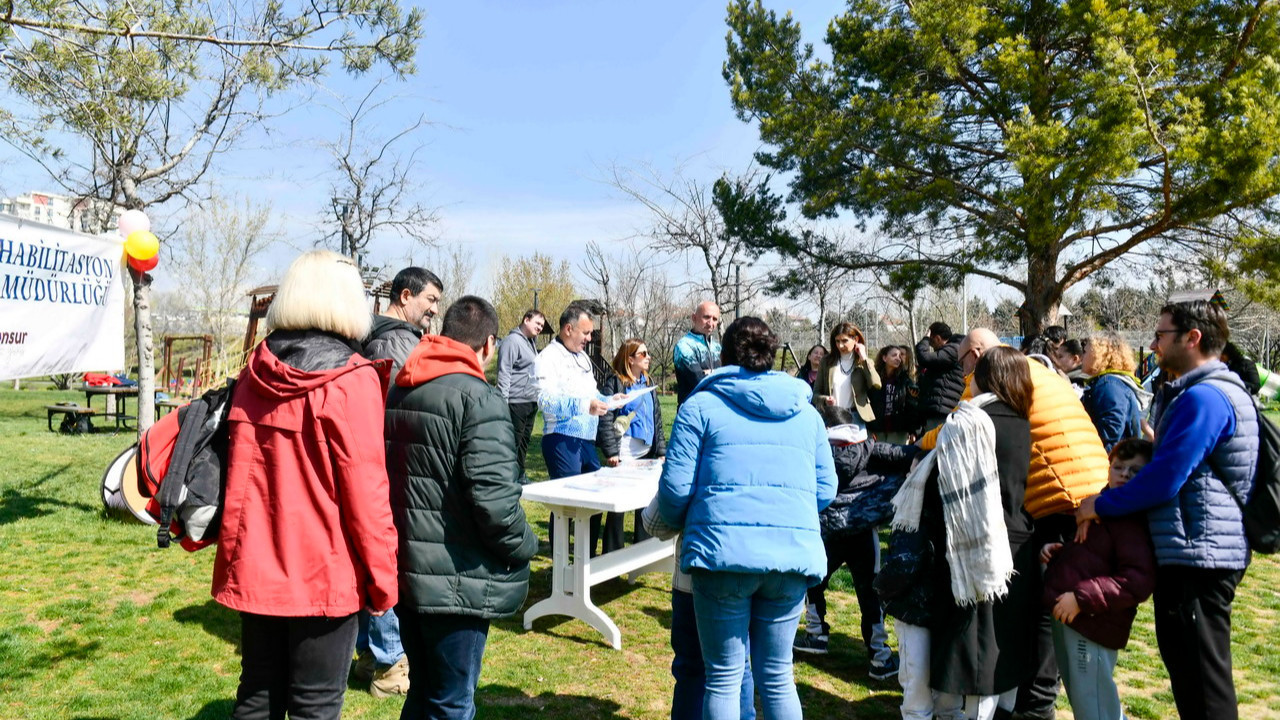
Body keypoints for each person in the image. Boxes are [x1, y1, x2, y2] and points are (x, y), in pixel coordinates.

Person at [213, 250, 398, 720]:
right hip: (323, 572)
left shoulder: (254, 371)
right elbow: (368, 494)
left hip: (256, 560)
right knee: (314, 706)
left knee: (257, 695)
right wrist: (383, 580)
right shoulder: (350, 379)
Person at [1076, 300, 1259, 720]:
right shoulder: (1199, 393)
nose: (1154, 344)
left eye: (1161, 335)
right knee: (1193, 676)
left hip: (1200, 558)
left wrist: (1099, 505)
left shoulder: (1206, 398)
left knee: (1203, 684)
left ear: (1191, 338)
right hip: (1194, 553)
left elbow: (1165, 478)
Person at [918, 328, 1110, 720]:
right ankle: (1031, 699)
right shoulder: (1040, 373)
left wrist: (917, 446)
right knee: (1051, 605)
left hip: (1061, 499)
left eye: (963, 366)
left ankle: (1034, 707)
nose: (964, 377)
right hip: (1093, 489)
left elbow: (957, 429)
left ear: (975, 355)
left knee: (1044, 608)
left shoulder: (996, 376)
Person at [657, 316, 836, 720]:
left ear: (722, 355)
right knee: (777, 677)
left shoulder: (700, 405)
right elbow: (826, 490)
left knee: (722, 678)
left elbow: (674, 493)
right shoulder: (806, 414)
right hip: (790, 557)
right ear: (771, 355)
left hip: (721, 558)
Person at [385, 296, 538, 720]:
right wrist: (526, 545)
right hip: (456, 577)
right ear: (489, 344)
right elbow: (495, 504)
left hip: (408, 569)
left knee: (426, 693)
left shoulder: (402, 387)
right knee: (451, 702)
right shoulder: (479, 399)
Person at [893, 346, 1039, 720]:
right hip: (1016, 545)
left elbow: (952, 491)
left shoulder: (970, 422)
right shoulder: (1023, 421)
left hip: (973, 546)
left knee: (975, 653)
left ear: (985, 376)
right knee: (1001, 649)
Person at [354, 265, 443, 698]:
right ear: (405, 296)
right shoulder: (396, 342)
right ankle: (391, 662)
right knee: (385, 562)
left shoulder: (376, 334)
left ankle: (370, 652)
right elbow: (409, 411)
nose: (433, 311)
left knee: (366, 559)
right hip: (388, 469)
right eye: (429, 301)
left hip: (372, 466)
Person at [795, 405, 913, 682]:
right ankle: (879, 658)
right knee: (870, 591)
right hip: (863, 530)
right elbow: (903, 455)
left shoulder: (814, 449)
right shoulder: (869, 447)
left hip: (826, 530)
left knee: (814, 581)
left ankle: (816, 634)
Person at [1040, 438, 1156, 720]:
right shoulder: (1101, 507)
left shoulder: (1131, 519)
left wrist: (1081, 599)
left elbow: (1136, 580)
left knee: (1095, 705)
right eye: (1119, 467)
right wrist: (1060, 554)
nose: (1125, 475)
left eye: (1135, 471)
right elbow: (1095, 557)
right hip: (1075, 619)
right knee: (1086, 700)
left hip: (1093, 623)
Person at [535, 304, 610, 552]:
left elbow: (590, 393)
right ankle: (561, 567)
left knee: (596, 501)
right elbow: (544, 400)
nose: (589, 339)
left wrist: (609, 401)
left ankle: (585, 561)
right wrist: (582, 405)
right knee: (566, 506)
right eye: (586, 333)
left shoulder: (583, 357)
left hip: (586, 441)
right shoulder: (548, 358)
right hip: (562, 439)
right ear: (568, 329)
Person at [597, 338, 666, 549]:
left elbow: (657, 419)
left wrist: (661, 450)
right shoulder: (616, 382)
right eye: (643, 354)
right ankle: (611, 553)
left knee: (644, 501)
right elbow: (605, 417)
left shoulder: (647, 382)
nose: (648, 358)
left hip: (645, 452)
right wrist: (611, 450)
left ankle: (642, 553)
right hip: (624, 452)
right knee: (618, 506)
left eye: (647, 353)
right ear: (630, 359)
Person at [366, 267, 443, 378]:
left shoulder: (373, 330)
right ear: (405, 296)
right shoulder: (399, 344)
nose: (435, 310)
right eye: (431, 300)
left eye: (437, 302)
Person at [1080, 332, 1148, 453]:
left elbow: (1111, 434)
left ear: (1098, 354)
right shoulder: (1109, 382)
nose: (1081, 357)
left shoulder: (1109, 385)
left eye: (1085, 352)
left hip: (1110, 463)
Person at [497, 309, 546, 475]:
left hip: (530, 402)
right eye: (537, 323)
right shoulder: (512, 341)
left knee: (524, 442)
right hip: (515, 402)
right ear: (526, 319)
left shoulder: (530, 342)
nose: (540, 328)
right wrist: (502, 403)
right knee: (512, 443)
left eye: (542, 325)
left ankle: (519, 474)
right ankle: (506, 477)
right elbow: (504, 372)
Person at [813, 322, 882, 425]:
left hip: (856, 416)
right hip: (832, 415)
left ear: (856, 340)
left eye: (845, 341)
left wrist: (864, 358)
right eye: (837, 341)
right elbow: (815, 394)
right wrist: (825, 400)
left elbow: (876, 384)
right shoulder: (826, 362)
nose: (840, 345)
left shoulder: (864, 362)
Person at [916, 322, 966, 432]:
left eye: (931, 342)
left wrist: (925, 339)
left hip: (942, 410)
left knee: (936, 446)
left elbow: (924, 358)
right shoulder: (951, 350)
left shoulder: (952, 350)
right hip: (941, 408)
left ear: (938, 338)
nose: (931, 346)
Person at [674, 301, 722, 405]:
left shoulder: (717, 347)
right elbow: (698, 381)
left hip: (715, 409)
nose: (710, 323)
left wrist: (708, 373)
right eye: (706, 317)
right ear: (694, 318)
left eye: (714, 319)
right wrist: (717, 374)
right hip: (692, 412)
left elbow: (729, 377)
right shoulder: (684, 346)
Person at [870, 344, 920, 444]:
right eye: (894, 355)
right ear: (884, 358)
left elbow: (910, 406)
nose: (898, 359)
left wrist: (913, 430)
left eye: (900, 356)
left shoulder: (904, 380)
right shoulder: (874, 378)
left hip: (898, 429)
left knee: (894, 458)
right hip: (877, 428)